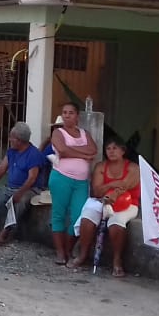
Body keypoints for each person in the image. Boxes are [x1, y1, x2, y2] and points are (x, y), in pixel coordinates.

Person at [68, 136, 140, 276]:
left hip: (127, 203)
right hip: (102, 200)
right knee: (87, 217)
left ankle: (117, 261)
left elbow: (126, 185)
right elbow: (97, 190)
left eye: (115, 148)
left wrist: (113, 191)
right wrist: (113, 185)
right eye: (108, 148)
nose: (111, 151)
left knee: (116, 223)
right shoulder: (101, 166)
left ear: (123, 151)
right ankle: (83, 255)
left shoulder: (133, 167)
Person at [0, 122, 45, 247]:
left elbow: (32, 178)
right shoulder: (12, 152)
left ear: (20, 140)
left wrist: (20, 192)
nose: (9, 140)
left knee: (18, 202)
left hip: (29, 189)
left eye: (12, 137)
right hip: (10, 187)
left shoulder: (34, 154)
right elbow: (1, 169)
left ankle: (4, 234)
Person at [49, 102, 97, 265]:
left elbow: (93, 150)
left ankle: (68, 249)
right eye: (64, 112)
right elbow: (62, 150)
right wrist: (84, 155)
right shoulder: (58, 132)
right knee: (59, 214)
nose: (67, 115)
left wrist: (72, 152)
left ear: (77, 116)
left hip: (82, 182)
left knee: (78, 216)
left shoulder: (85, 133)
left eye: (71, 112)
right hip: (61, 177)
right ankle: (60, 252)